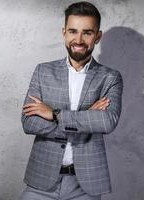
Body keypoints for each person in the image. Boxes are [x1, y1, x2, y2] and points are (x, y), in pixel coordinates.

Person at [20, 2, 123, 200]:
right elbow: (29, 122)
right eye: (73, 31)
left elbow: (107, 122)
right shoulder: (43, 71)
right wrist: (86, 117)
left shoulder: (110, 77)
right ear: (64, 33)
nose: (79, 39)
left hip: (85, 185)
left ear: (97, 36)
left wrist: (54, 114)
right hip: (41, 179)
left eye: (87, 32)